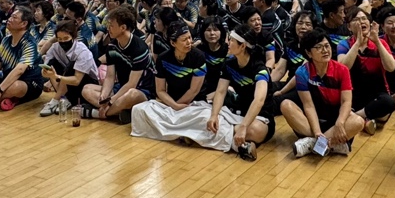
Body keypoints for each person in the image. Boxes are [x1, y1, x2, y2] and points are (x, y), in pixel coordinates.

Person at [280, 30, 363, 158]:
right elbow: (308, 106)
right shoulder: (302, 72)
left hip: (335, 122)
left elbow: (346, 101)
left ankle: (311, 144)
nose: (325, 50)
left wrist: (340, 122)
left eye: (327, 46)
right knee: (285, 105)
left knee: (358, 121)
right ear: (309, 53)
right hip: (313, 122)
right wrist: (317, 132)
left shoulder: (342, 70)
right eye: (318, 47)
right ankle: (331, 144)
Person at [131, 22, 210, 141]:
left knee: (206, 118)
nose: (189, 42)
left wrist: (177, 108)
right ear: (173, 43)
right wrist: (174, 106)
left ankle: (173, 131)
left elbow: (194, 90)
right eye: (184, 40)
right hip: (170, 103)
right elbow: (160, 90)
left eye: (190, 37)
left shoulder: (198, 57)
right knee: (139, 109)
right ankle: (183, 132)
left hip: (193, 105)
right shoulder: (162, 59)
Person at [207, 30, 275, 160]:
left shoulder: (260, 69)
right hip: (237, 112)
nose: (228, 43)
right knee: (208, 117)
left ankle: (203, 136)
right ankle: (240, 145)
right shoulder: (229, 64)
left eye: (231, 40)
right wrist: (214, 115)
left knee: (254, 131)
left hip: (259, 117)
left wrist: (243, 127)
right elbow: (220, 91)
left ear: (242, 46)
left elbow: (259, 100)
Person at [83, 6, 152, 121]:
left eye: (111, 25)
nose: (108, 28)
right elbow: (110, 76)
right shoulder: (112, 46)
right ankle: (121, 112)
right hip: (121, 87)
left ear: (123, 27)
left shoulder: (139, 48)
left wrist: (111, 101)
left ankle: (97, 113)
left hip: (142, 91)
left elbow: (132, 84)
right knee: (86, 89)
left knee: (131, 94)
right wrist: (104, 96)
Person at [38, 21, 99, 117]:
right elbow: (46, 66)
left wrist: (56, 76)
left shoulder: (82, 51)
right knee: (52, 64)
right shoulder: (55, 48)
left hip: (86, 83)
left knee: (71, 66)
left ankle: (55, 100)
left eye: (66, 38)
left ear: (73, 37)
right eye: (59, 39)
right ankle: (64, 98)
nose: (62, 42)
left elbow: (77, 80)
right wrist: (45, 72)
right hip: (67, 84)